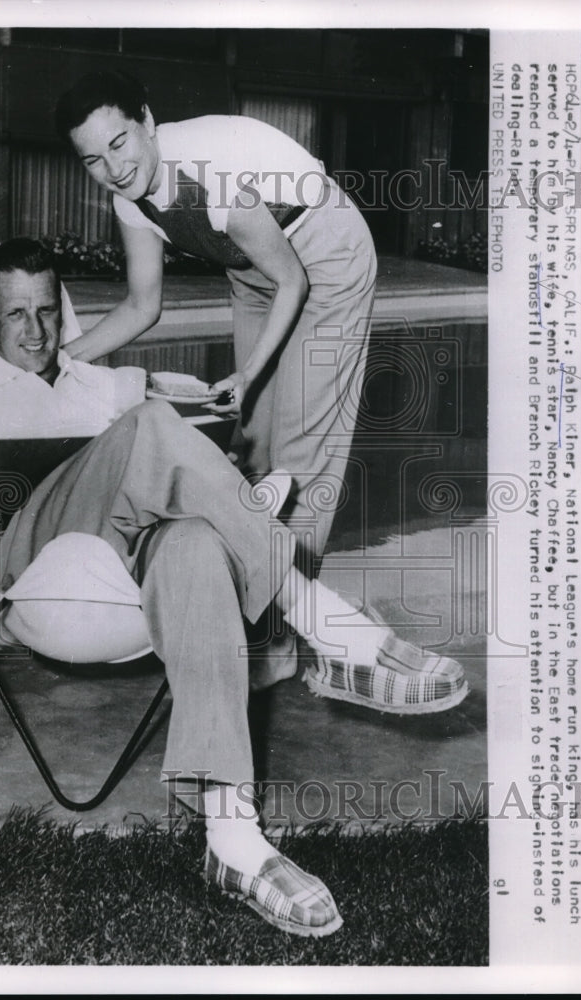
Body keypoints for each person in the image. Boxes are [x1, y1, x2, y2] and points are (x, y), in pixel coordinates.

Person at [0, 239, 467, 938]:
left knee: (198, 541)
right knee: (147, 431)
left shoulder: (96, 382)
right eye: (15, 314)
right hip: (27, 576)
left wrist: (193, 456)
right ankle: (327, 625)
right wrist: (74, 470)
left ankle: (232, 839)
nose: (36, 331)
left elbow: (188, 432)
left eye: (47, 311)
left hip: (125, 574)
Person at [54, 71, 378, 684]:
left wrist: (248, 373)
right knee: (250, 445)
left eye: (120, 143)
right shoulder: (129, 197)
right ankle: (252, 608)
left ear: (147, 122)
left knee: (302, 450)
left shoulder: (209, 171)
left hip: (324, 255)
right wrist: (61, 360)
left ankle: (281, 640)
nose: (114, 169)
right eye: (93, 160)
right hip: (256, 267)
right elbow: (142, 305)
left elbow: (295, 281)